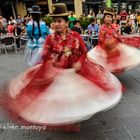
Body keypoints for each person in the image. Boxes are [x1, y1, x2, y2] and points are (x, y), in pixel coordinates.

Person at [6, 3, 122, 132]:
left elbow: (84, 51)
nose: (56, 24)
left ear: (66, 22)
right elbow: (46, 56)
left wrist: (79, 61)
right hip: (57, 74)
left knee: (76, 98)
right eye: (54, 21)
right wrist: (49, 66)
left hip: (75, 72)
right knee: (60, 100)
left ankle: (74, 119)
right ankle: (66, 122)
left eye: (59, 21)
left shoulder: (75, 36)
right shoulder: (50, 39)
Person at [87, 7, 140, 74]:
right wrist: (109, 43)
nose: (109, 19)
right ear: (104, 18)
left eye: (110, 17)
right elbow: (101, 41)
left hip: (114, 48)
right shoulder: (102, 28)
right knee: (106, 70)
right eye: (107, 17)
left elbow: (117, 35)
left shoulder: (112, 26)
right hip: (106, 51)